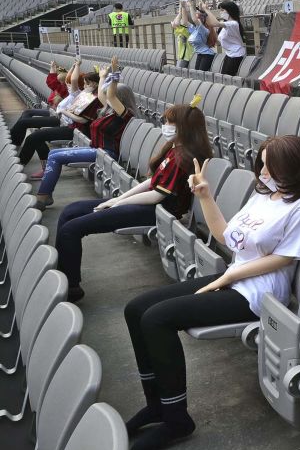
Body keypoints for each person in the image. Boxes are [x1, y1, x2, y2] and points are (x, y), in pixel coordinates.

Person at [122, 135, 300, 450]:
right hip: (235, 277)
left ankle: (176, 418)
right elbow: (227, 237)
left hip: (261, 291)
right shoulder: (263, 196)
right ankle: (155, 405)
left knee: (158, 319)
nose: (264, 172)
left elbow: (285, 258)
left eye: (273, 166)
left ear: (294, 169)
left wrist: (229, 276)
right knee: (136, 309)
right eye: (262, 164)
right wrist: (205, 196)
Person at [55, 104, 211, 304]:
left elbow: (156, 196)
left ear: (184, 126)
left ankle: (71, 287)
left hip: (157, 211)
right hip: (145, 204)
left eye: (170, 122)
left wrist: (118, 204)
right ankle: (63, 273)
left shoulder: (184, 157)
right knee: (70, 211)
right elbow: (152, 181)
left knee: (71, 229)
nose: (165, 125)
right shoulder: (175, 149)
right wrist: (117, 199)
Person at [35, 57, 135, 208]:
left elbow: (110, 95)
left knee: (56, 158)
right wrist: (102, 77)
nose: (105, 97)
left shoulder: (125, 114)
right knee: (52, 154)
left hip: (107, 152)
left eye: (109, 96)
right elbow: (104, 94)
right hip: (96, 149)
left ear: (119, 99)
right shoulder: (108, 110)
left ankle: (43, 197)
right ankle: (45, 194)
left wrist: (114, 74)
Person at [20, 61, 100, 171]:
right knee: (35, 137)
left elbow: (83, 121)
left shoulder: (93, 98)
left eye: (87, 83)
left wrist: (64, 111)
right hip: (72, 127)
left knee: (34, 137)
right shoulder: (85, 95)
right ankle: (44, 168)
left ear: (94, 84)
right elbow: (70, 80)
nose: (84, 86)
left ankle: (23, 165)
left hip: (79, 131)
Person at [8, 60, 67, 146]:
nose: (59, 82)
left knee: (25, 122)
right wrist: (52, 68)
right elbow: (51, 82)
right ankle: (14, 136)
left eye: (61, 81)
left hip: (57, 116)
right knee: (27, 112)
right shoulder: (61, 86)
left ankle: (15, 139)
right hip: (52, 111)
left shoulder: (66, 89)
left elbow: (52, 83)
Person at [205, 0, 246, 76]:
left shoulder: (233, 23)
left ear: (229, 11)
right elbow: (211, 24)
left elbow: (214, 23)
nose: (221, 12)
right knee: (224, 77)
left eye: (223, 10)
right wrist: (204, 12)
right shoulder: (226, 24)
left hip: (236, 54)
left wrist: (207, 10)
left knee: (228, 78)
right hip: (229, 54)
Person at [189, 2, 217, 72]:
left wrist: (191, 5)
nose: (196, 18)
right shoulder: (195, 29)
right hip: (200, 53)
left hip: (207, 55)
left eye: (198, 17)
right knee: (197, 74)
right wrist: (182, 8)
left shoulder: (204, 29)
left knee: (201, 75)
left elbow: (194, 19)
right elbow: (185, 22)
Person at [171, 1, 196, 69]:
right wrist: (180, 11)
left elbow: (176, 23)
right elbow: (176, 24)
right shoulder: (180, 31)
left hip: (188, 57)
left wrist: (182, 8)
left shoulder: (187, 30)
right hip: (182, 56)